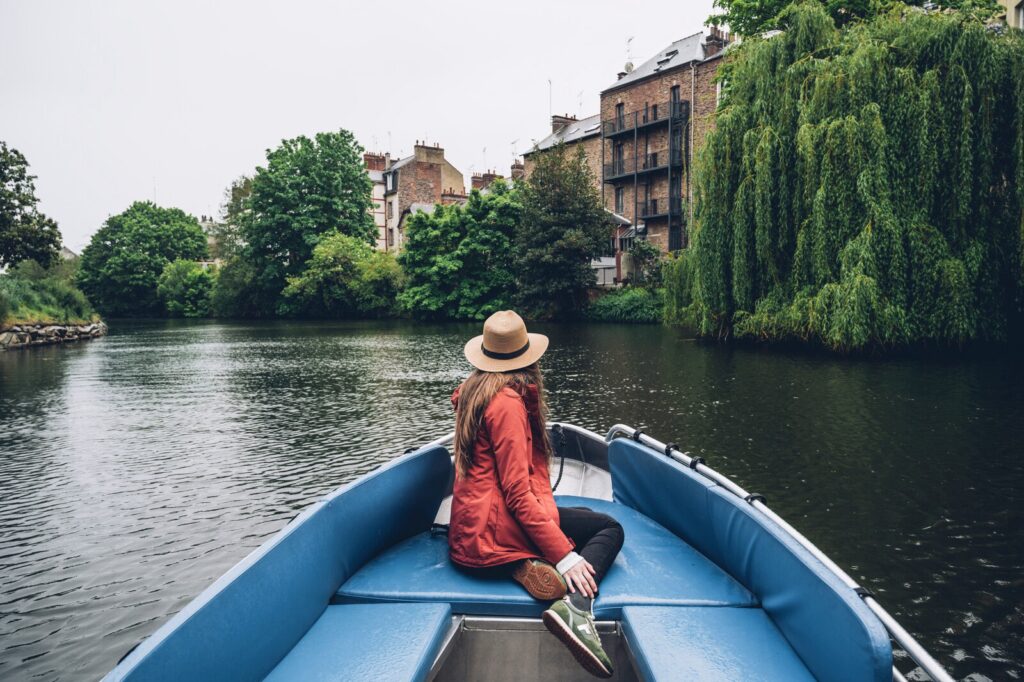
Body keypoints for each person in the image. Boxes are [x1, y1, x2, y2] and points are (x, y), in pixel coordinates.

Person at [448, 310, 625, 679]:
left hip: (469, 536)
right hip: (495, 531)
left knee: (566, 519)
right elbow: (516, 493)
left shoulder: (473, 393)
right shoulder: (507, 404)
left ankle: (516, 563)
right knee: (608, 529)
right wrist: (565, 557)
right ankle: (576, 608)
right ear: (528, 358)